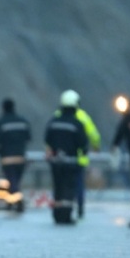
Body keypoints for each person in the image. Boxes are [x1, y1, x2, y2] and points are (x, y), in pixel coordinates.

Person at [54, 90, 100, 219]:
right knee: (78, 184)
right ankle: (79, 208)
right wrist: (96, 146)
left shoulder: (58, 115)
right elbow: (94, 135)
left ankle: (61, 209)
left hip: (59, 158)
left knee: (60, 184)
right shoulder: (83, 116)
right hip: (79, 158)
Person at [44, 92, 88, 224]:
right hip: (70, 162)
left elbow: (47, 139)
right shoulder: (77, 124)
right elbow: (83, 143)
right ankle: (66, 215)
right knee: (68, 189)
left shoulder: (53, 122)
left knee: (57, 188)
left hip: (55, 162)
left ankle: (57, 215)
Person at [0, 98, 31, 212]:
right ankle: (11, 202)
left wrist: (0, 153)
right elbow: (28, 138)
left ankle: (17, 201)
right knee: (16, 181)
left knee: (12, 181)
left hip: (7, 158)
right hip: (20, 157)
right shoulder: (22, 121)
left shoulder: (0, 122)